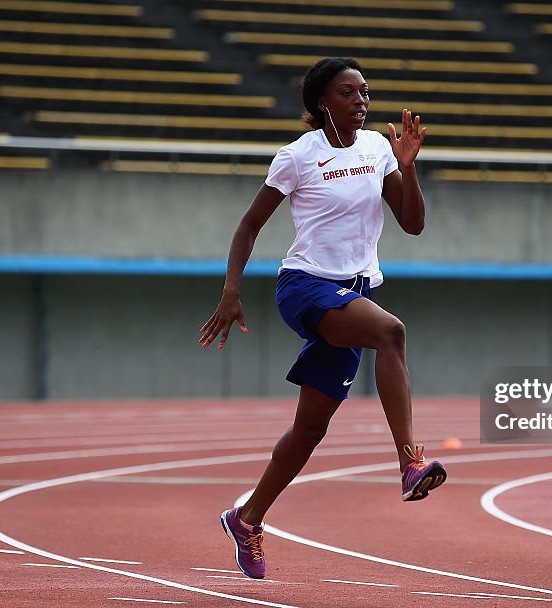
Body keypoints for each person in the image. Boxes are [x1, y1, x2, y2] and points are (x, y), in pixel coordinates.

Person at [197, 57, 447, 580]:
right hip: (305, 287)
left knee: (310, 429)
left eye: (365, 92)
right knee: (391, 332)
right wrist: (230, 292)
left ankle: (246, 519)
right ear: (321, 102)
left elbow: (413, 224)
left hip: (351, 292)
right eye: (348, 92)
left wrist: (408, 165)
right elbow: (248, 225)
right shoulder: (297, 157)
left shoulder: (379, 149)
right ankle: (410, 463)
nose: (362, 101)